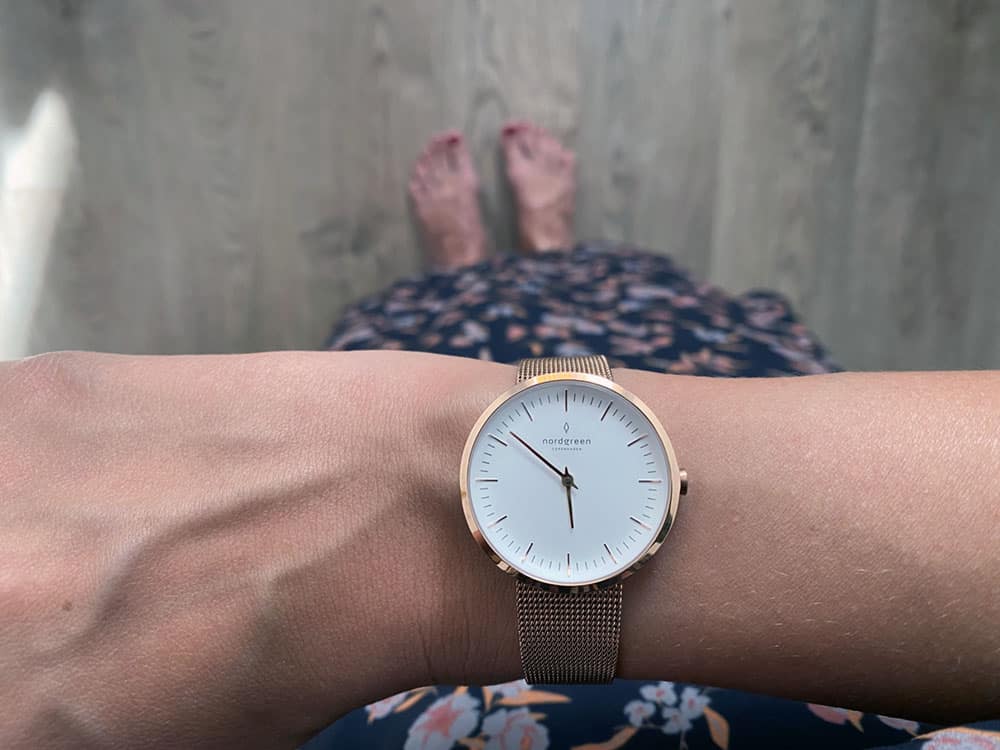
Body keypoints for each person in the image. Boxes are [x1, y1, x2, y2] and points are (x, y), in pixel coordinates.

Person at [0, 123, 997, 750]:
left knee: (443, 344)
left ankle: (473, 277)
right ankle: (542, 261)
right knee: (668, 336)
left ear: (670, 495)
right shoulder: (551, 501)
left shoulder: (638, 511)